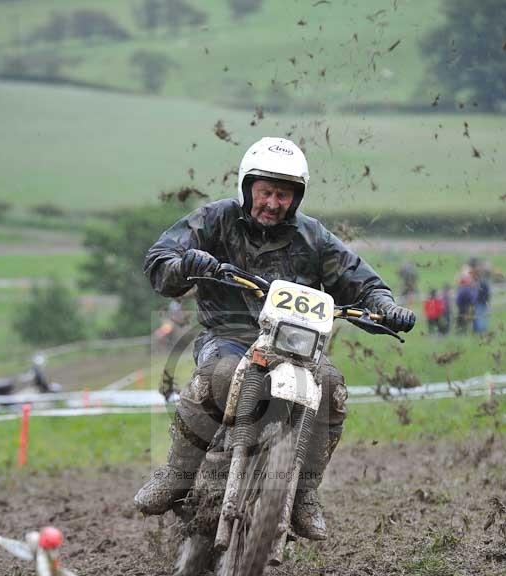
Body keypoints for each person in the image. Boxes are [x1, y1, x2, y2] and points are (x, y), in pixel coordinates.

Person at [134, 137, 415, 540]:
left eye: (283, 194)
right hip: (229, 335)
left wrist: (385, 306)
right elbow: (160, 259)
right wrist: (185, 264)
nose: (272, 202)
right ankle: (177, 474)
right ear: (248, 188)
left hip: (296, 344)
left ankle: (304, 493)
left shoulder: (313, 237)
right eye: (265, 191)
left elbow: (361, 280)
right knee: (222, 373)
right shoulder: (215, 219)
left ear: (296, 198)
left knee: (331, 385)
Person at [468, 257, 491, 334]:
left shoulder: (480, 284)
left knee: (479, 317)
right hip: (484, 302)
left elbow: (477, 294)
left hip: (479, 303)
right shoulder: (485, 283)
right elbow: (488, 294)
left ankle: (480, 331)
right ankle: (483, 330)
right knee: (483, 317)